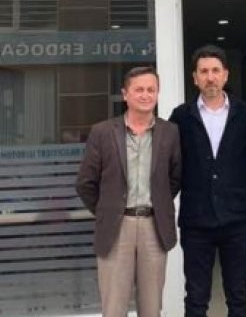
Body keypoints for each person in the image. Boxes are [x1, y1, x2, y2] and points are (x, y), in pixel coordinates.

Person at [75, 66, 181, 317]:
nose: (146, 95)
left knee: (151, 307)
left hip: (154, 227)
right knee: (114, 307)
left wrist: (159, 204)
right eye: (139, 89)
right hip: (116, 226)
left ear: (158, 93)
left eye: (151, 90)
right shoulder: (103, 132)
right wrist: (107, 210)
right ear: (125, 94)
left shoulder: (170, 132)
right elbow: (85, 183)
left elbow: (175, 178)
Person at [169, 45, 246, 317]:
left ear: (226, 75)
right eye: (204, 71)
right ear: (194, 78)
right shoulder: (181, 117)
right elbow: (172, 164)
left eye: (215, 71)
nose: (210, 77)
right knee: (196, 298)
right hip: (196, 221)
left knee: (238, 296)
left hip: (237, 219)